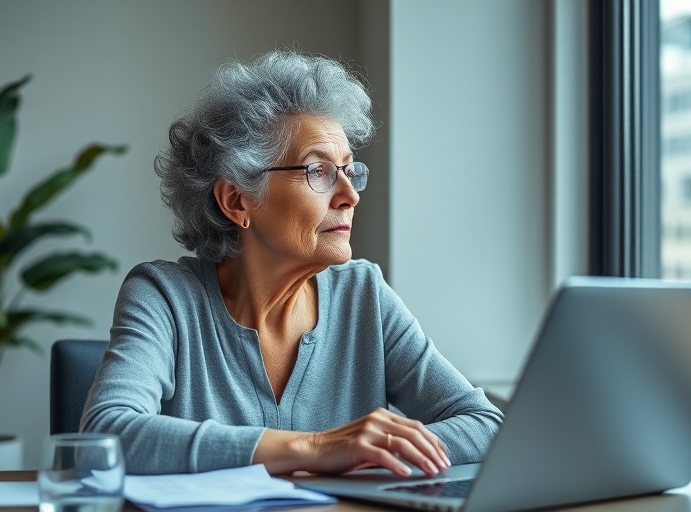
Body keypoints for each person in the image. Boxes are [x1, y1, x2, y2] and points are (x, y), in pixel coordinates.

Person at [81, 50, 504, 476]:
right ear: (237, 200)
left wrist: (373, 450)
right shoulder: (164, 297)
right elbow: (107, 434)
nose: (350, 195)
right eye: (319, 172)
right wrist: (313, 448)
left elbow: (485, 425)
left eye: (349, 170)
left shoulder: (364, 295)